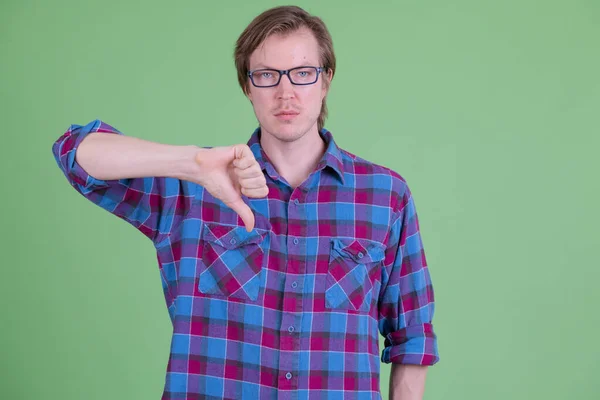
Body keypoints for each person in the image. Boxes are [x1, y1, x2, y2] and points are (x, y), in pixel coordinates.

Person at [51, 5, 439, 400]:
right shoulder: (194, 187)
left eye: (303, 74)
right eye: (267, 75)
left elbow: (413, 338)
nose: (286, 92)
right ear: (247, 85)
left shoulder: (385, 196)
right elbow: (76, 154)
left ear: (326, 81)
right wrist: (192, 162)